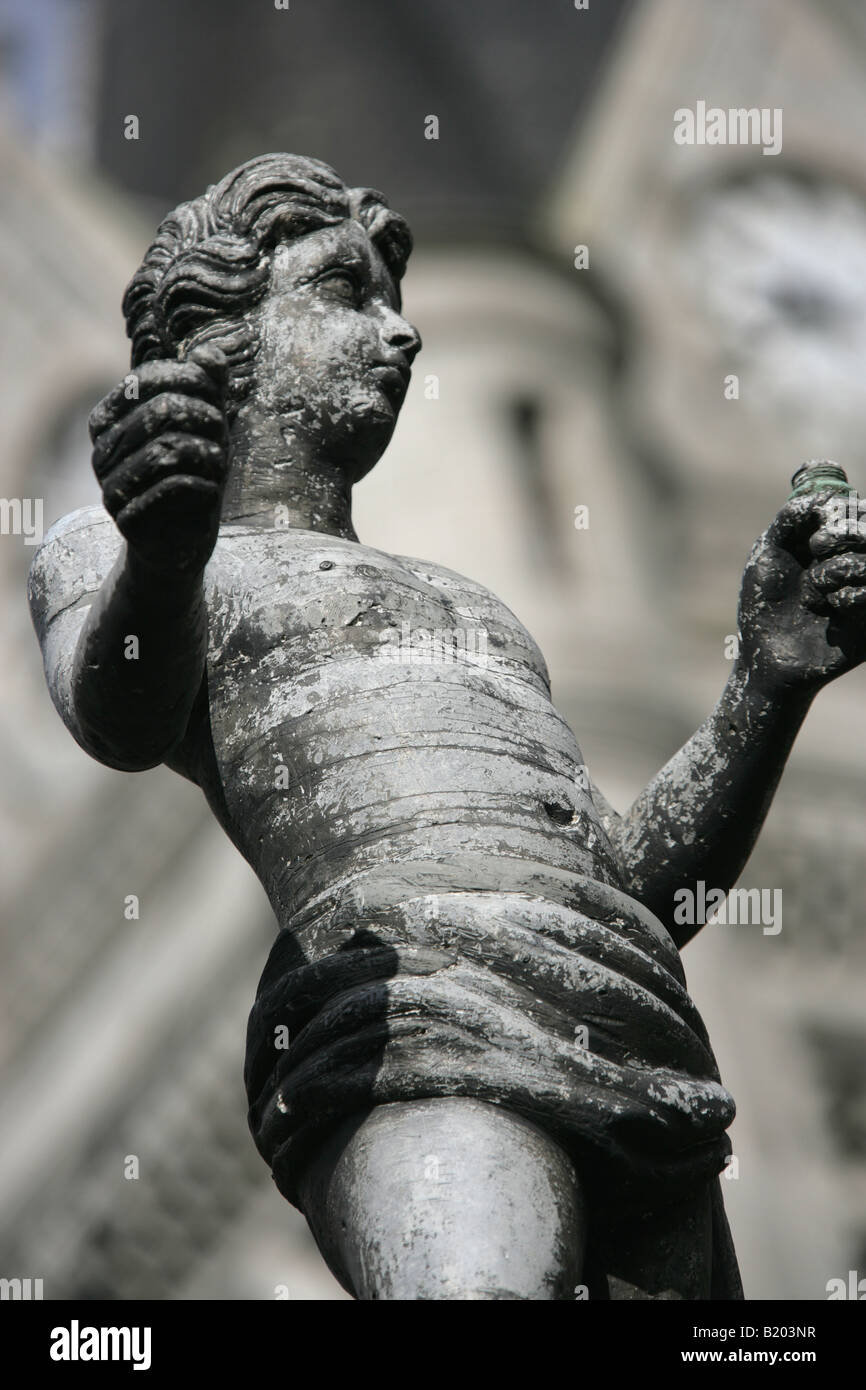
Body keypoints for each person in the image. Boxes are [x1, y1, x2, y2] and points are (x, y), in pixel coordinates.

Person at [29, 154, 866, 1299]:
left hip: (635, 1033)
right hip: (413, 1018)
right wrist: (163, 551)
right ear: (220, 335)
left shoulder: (475, 610)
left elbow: (631, 886)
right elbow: (117, 714)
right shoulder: (127, 554)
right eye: (343, 291)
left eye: (398, 301)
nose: (400, 334)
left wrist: (764, 686)